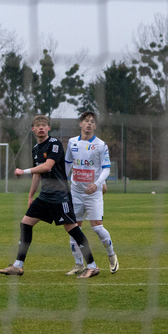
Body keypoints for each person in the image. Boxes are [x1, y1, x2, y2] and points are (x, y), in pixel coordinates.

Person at [0, 115, 100, 278]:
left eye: (44, 125)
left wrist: (23, 171)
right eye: (37, 125)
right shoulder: (35, 149)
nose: (41, 128)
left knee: (73, 229)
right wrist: (31, 196)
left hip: (60, 196)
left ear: (48, 128)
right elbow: (38, 174)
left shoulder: (54, 144)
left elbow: (47, 166)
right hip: (45, 196)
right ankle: (18, 266)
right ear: (32, 129)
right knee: (25, 224)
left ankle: (92, 266)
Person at [64, 111, 119, 275]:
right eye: (86, 121)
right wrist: (62, 183)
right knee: (74, 228)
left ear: (95, 126)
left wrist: (97, 184)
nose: (88, 123)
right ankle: (79, 264)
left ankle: (111, 255)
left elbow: (106, 168)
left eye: (92, 121)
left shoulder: (101, 145)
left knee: (97, 227)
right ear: (80, 124)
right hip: (75, 192)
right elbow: (67, 164)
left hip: (93, 193)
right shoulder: (72, 142)